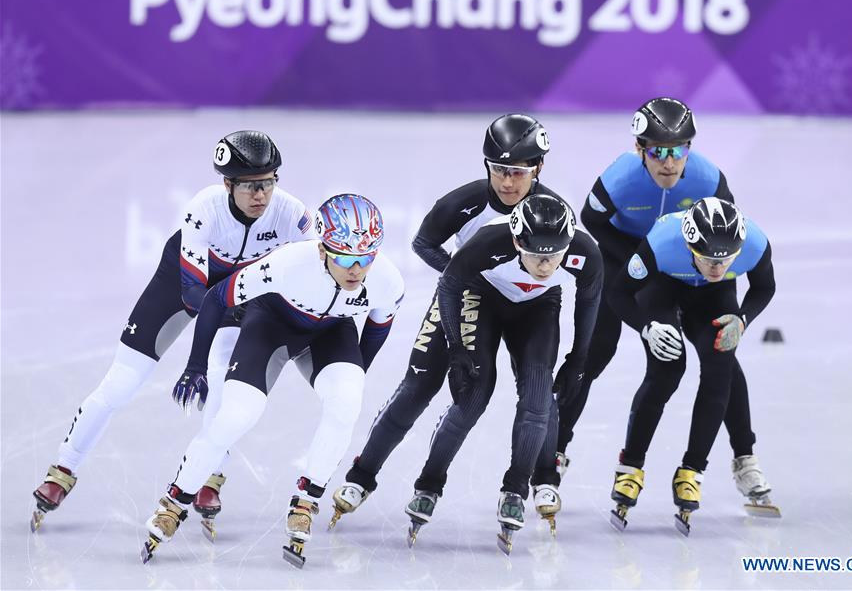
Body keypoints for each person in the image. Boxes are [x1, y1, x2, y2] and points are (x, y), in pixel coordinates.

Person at [31, 131, 313, 532]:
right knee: (122, 382)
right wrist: (197, 355)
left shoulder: (292, 214)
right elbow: (196, 294)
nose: (261, 195)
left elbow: (315, 272)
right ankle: (63, 468)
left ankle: (210, 476)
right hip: (187, 284)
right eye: (250, 186)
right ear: (227, 184)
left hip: (242, 288)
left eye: (268, 183)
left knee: (223, 383)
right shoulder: (204, 209)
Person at [140, 194, 404, 568]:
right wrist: (196, 365)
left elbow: (377, 328)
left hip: (330, 334)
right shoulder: (286, 264)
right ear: (322, 250)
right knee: (237, 415)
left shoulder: (387, 280)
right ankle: (175, 500)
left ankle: (306, 501)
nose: (356, 270)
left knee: (347, 401)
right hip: (270, 326)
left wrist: (356, 374)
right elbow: (216, 299)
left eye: (366, 258)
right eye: (345, 259)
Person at [328, 114, 558, 527]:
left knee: (538, 390)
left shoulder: (552, 213)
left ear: (538, 167)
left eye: (518, 173)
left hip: (529, 304)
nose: (507, 183)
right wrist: (463, 273)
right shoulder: (464, 202)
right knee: (419, 385)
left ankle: (535, 477)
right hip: (470, 295)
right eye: (498, 170)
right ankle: (362, 475)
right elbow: (423, 243)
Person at [547, 97, 774, 512]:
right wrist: (642, 261)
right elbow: (592, 221)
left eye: (678, 150)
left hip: (695, 262)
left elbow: (723, 240)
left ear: (690, 148)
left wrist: (740, 317)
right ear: (640, 149)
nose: (669, 163)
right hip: (634, 260)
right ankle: (555, 450)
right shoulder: (619, 178)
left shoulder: (709, 179)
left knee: (722, 355)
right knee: (597, 351)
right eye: (657, 152)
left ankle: (745, 458)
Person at [403, 194, 602, 554]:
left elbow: (589, 301)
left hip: (539, 308)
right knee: (473, 396)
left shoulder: (585, 252)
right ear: (516, 242)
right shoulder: (488, 242)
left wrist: (579, 358)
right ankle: (429, 483)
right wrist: (456, 348)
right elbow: (449, 286)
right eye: (537, 255)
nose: (546, 265)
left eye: (554, 256)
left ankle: (515, 489)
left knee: (538, 398)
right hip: (485, 299)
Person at [606, 197, 776, 535]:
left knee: (720, 364)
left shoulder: (755, 243)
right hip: (663, 286)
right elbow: (618, 294)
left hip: (714, 297)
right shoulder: (662, 242)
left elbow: (765, 287)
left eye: (725, 260)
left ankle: (692, 471)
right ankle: (630, 467)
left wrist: (743, 320)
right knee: (667, 367)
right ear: (689, 245)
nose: (716, 267)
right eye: (708, 259)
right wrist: (646, 327)